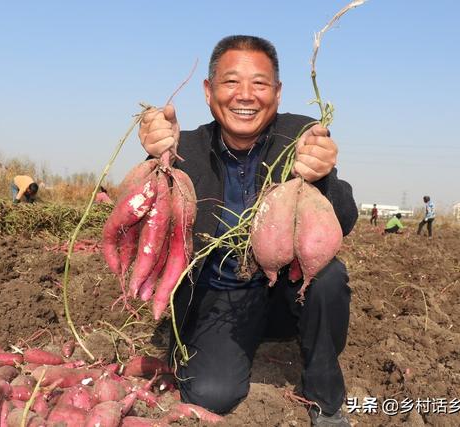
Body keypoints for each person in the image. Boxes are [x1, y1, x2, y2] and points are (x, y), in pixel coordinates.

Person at [139, 35, 358, 426]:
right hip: (219, 301)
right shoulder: (184, 148)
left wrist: (321, 178)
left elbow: (343, 219)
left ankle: (324, 397)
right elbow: (148, 228)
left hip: (287, 293)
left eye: (259, 83)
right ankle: (221, 347)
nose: (245, 95)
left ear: (277, 92)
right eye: (230, 82)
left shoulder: (301, 137)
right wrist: (158, 161)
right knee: (211, 393)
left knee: (328, 278)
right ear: (208, 91)